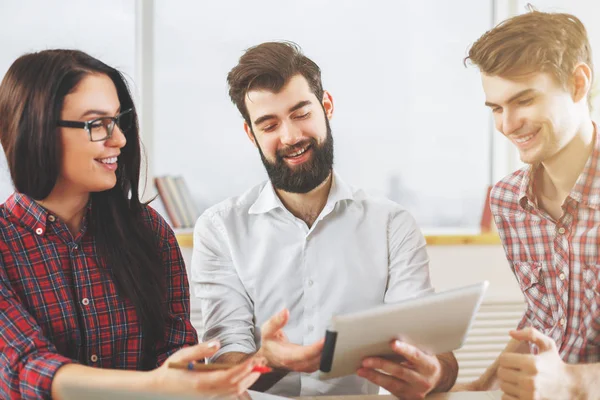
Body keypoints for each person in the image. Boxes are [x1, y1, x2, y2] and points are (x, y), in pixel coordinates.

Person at [191, 41, 458, 398]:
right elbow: (224, 373)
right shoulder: (219, 229)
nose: (291, 137)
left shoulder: (392, 224)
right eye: (269, 125)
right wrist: (270, 360)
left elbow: (435, 355)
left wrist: (436, 372)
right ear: (250, 134)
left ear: (326, 106)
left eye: (301, 113)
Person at [0, 49, 263, 399]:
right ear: (35, 130)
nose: (120, 139)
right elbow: (25, 368)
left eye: (118, 120)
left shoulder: (149, 230)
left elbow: (174, 351)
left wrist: (216, 382)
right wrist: (154, 386)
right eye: (97, 124)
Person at [456, 9, 600, 399]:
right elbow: (546, 318)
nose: (507, 124)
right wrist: (485, 386)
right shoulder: (507, 202)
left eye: (523, 101)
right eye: (497, 108)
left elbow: (564, 377)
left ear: (577, 83)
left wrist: (571, 384)